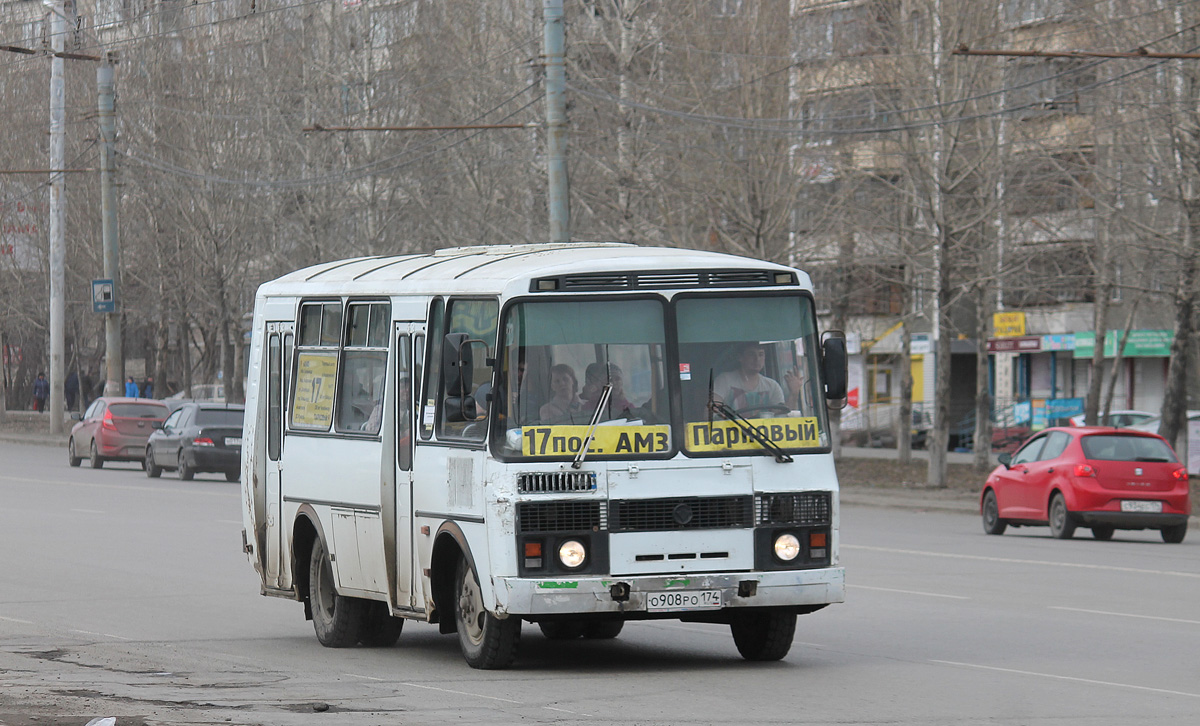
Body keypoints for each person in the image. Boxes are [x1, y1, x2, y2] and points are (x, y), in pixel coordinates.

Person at [713, 342, 785, 413]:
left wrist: (793, 394)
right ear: (740, 357)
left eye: (761, 354)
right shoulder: (725, 380)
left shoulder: (772, 386)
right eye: (751, 354)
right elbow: (712, 412)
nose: (757, 359)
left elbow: (784, 418)